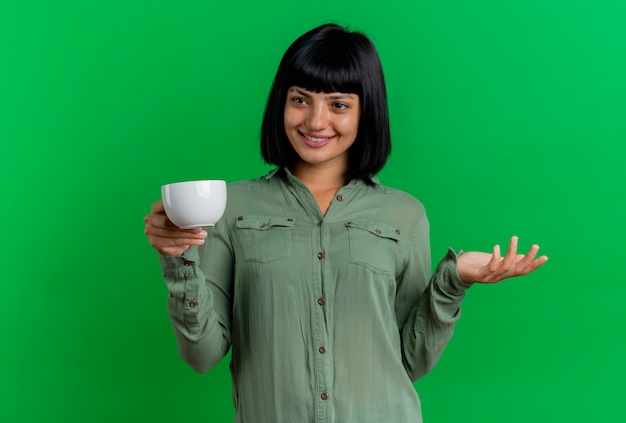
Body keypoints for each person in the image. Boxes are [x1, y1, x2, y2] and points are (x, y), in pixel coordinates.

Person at [144, 23, 548, 423]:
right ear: (280, 104)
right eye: (300, 100)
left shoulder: (404, 215)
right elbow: (202, 356)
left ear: (365, 111)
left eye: (339, 104)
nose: (316, 122)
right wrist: (178, 259)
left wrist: (453, 280)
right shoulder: (230, 208)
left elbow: (411, 361)